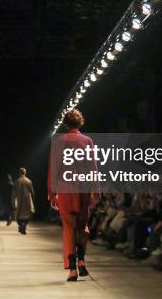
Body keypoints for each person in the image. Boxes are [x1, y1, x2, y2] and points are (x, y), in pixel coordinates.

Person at [48, 109, 95, 282]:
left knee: (68, 229)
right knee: (82, 226)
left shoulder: (59, 142)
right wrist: (95, 191)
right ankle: (82, 260)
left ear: (66, 124)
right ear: (80, 122)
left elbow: (54, 169)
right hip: (83, 189)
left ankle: (73, 269)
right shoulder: (87, 141)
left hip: (65, 190)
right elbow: (92, 167)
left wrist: (52, 193)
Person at [13, 168, 35, 234]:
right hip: (27, 200)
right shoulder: (28, 181)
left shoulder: (17, 181)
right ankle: (24, 225)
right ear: (25, 173)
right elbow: (32, 192)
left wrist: (13, 200)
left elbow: (14, 192)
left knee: (17, 215)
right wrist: (33, 200)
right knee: (28, 214)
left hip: (19, 199)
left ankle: (21, 225)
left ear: (19, 173)